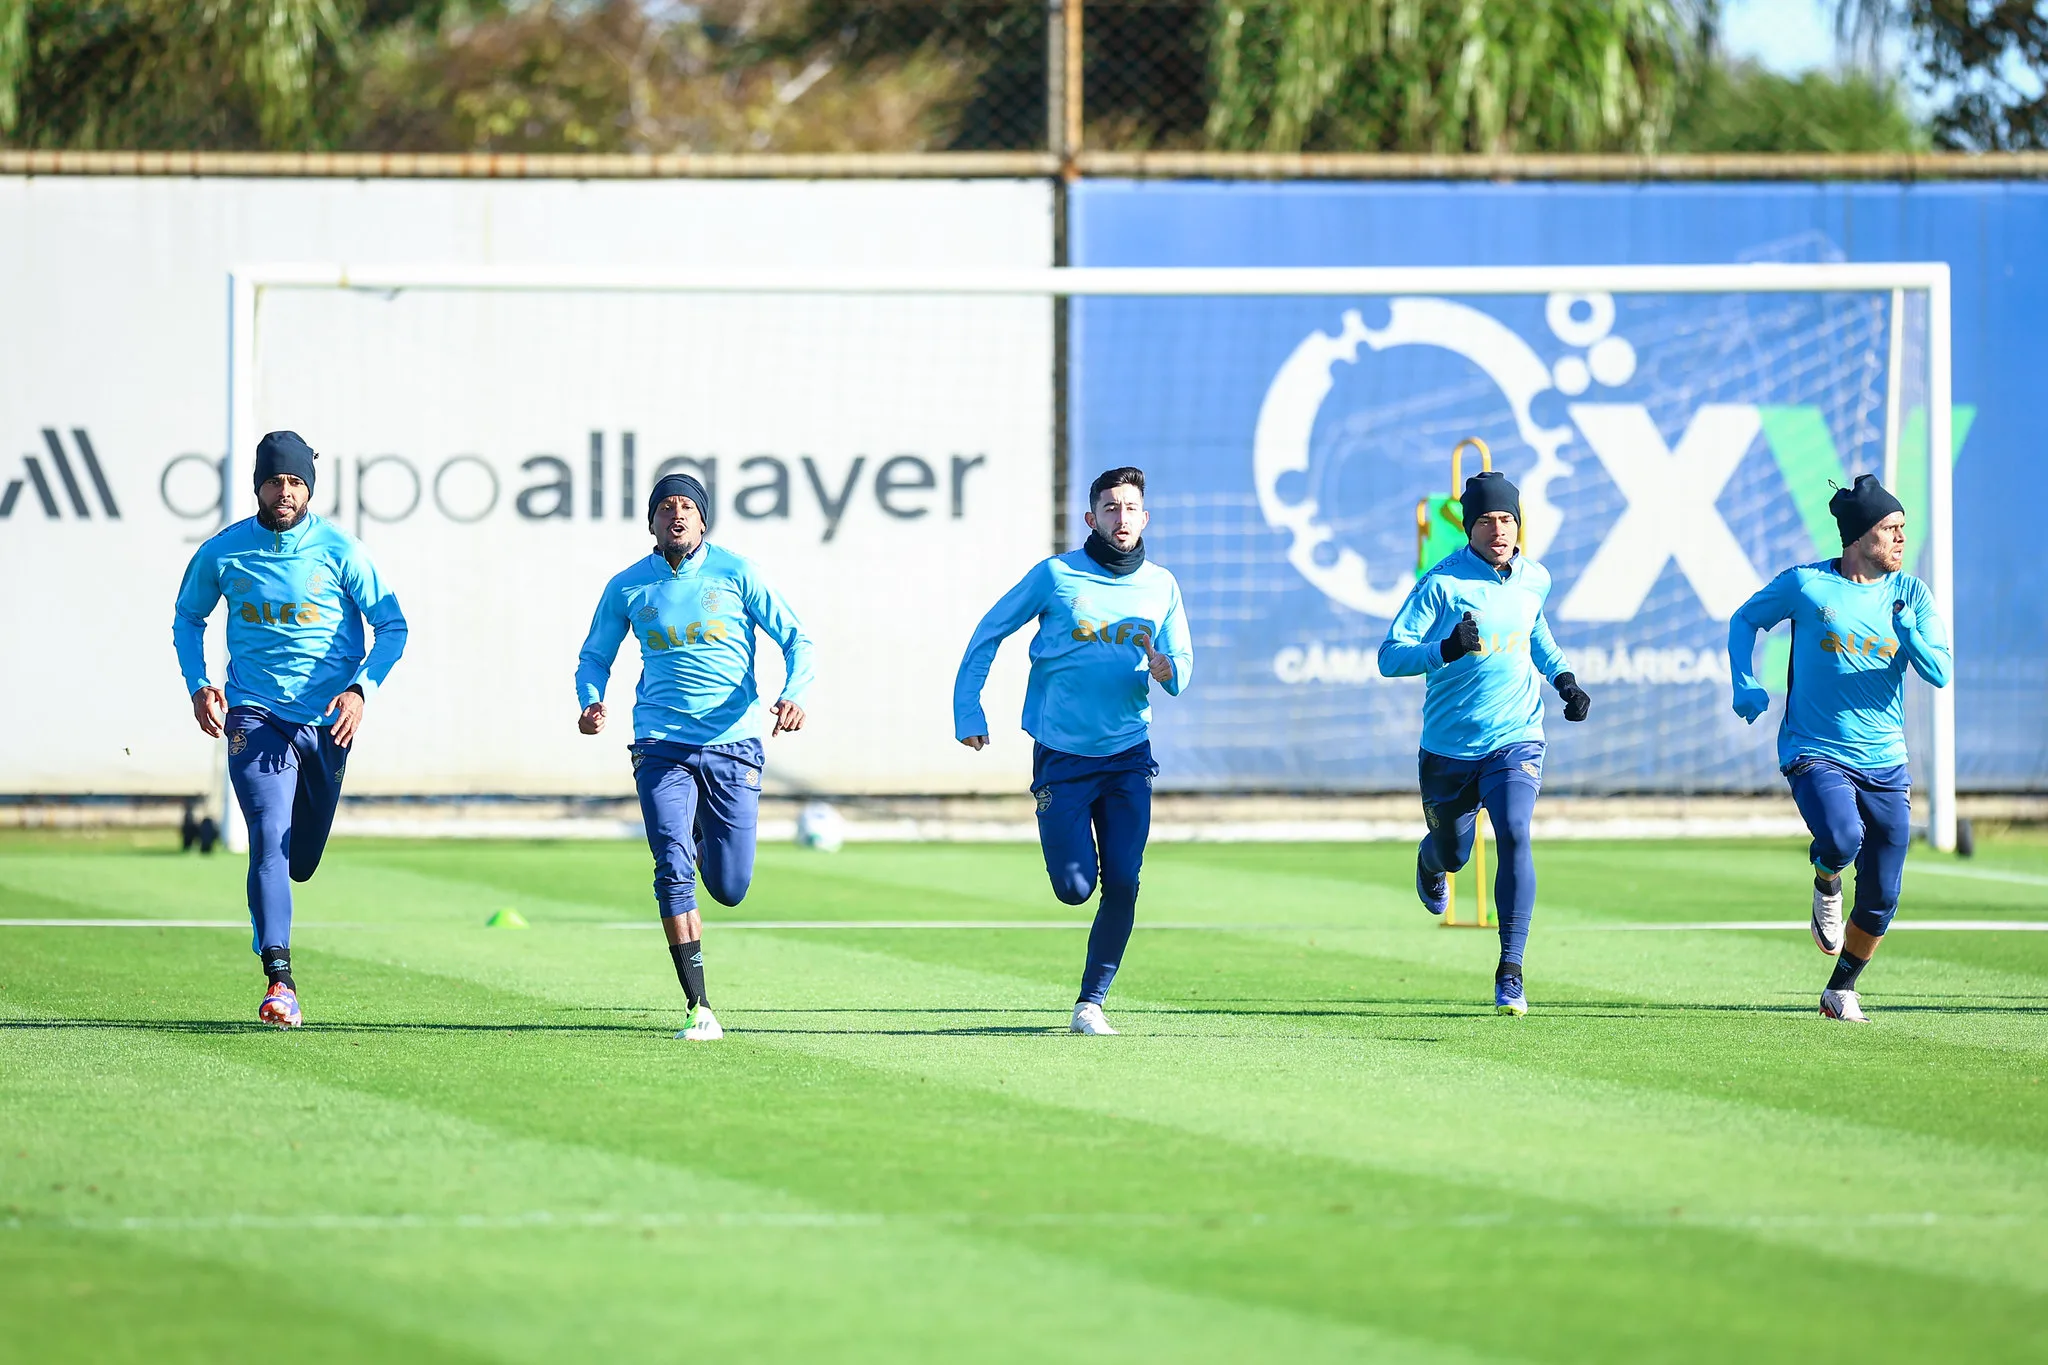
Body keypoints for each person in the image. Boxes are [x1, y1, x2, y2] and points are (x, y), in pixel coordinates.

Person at [171, 430, 408, 1029]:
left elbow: (394, 627)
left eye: (296, 482)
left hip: (328, 722)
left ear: (309, 488)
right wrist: (200, 683)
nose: (285, 492)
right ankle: (280, 978)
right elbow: (188, 616)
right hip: (255, 714)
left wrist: (360, 689)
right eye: (275, 481)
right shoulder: (224, 552)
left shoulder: (339, 550)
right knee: (269, 833)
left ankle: (275, 931)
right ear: (257, 485)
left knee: (299, 858)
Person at [953, 466, 1193, 1035]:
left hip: (1128, 756)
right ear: (1091, 518)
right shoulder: (1056, 576)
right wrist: (969, 709)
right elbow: (989, 630)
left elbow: (1182, 669)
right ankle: (1075, 902)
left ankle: (1091, 1001)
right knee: (1074, 889)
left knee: (1126, 880)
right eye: (1110, 507)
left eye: (1131, 507)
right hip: (1061, 755)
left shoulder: (1162, 585)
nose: (1121, 517)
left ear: (1145, 517)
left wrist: (1168, 668)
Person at [576, 472, 814, 1041]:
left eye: (686, 507)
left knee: (730, 887)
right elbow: (593, 656)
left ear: (702, 520)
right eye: (665, 508)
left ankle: (704, 838)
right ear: (653, 521)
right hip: (661, 745)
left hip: (734, 743)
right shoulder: (628, 586)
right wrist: (591, 701)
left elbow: (797, 639)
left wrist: (794, 694)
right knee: (671, 867)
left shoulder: (737, 573)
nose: (676, 515)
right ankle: (698, 1005)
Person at [1728, 473, 1951, 1023]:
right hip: (1814, 747)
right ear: (1859, 536)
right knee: (1842, 837)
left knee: (1883, 893)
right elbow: (1745, 619)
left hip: (1886, 760)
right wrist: (1744, 681)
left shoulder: (1911, 595)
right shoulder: (1807, 585)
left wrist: (1911, 635)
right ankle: (1826, 876)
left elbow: (1940, 673)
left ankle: (1840, 989)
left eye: (1904, 528)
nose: (1901, 539)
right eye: (1891, 529)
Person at [1377, 470, 1591, 1016]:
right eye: (1488, 520)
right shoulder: (1440, 584)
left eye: (1508, 518)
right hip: (1448, 749)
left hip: (1516, 737)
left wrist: (1563, 679)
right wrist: (1445, 648)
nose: (1499, 529)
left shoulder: (1534, 577)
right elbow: (1389, 656)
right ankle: (1430, 861)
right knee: (1454, 852)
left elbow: (1535, 630)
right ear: (1469, 526)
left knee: (1517, 832)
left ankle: (1511, 971)